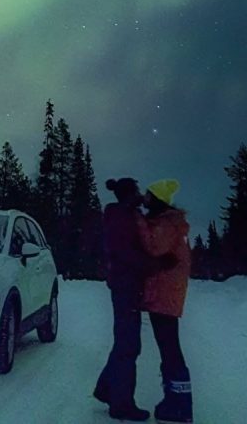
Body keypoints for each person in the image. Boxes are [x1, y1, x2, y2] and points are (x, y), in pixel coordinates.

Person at [93, 177, 154, 421]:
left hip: (126, 285)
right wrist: (155, 264)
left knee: (125, 342)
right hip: (125, 286)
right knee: (128, 345)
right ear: (129, 194)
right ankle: (122, 404)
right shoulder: (120, 217)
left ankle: (107, 388)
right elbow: (125, 253)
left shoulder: (121, 214)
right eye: (136, 192)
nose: (140, 195)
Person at [138, 179, 193, 423]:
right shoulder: (167, 222)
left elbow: (153, 247)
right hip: (165, 294)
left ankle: (180, 405)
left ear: (157, 199)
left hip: (165, 296)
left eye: (148, 194)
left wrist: (137, 220)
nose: (144, 198)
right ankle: (175, 400)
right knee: (169, 349)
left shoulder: (166, 224)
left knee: (170, 350)